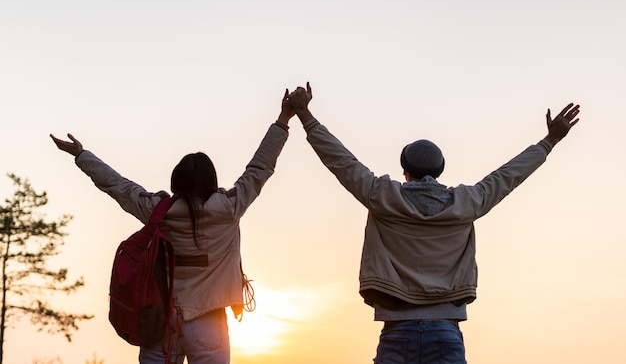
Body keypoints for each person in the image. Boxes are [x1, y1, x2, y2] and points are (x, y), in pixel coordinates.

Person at [287, 83, 580, 364]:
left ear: (405, 171)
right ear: (440, 171)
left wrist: (306, 117)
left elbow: (341, 162)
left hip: (396, 331)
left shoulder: (381, 196)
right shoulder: (468, 203)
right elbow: (508, 176)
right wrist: (550, 140)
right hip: (445, 332)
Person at [50, 90, 296, 364]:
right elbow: (260, 168)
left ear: (175, 182)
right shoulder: (230, 208)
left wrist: (82, 155)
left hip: (161, 324)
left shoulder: (158, 211)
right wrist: (284, 119)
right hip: (209, 323)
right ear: (211, 181)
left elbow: (118, 186)